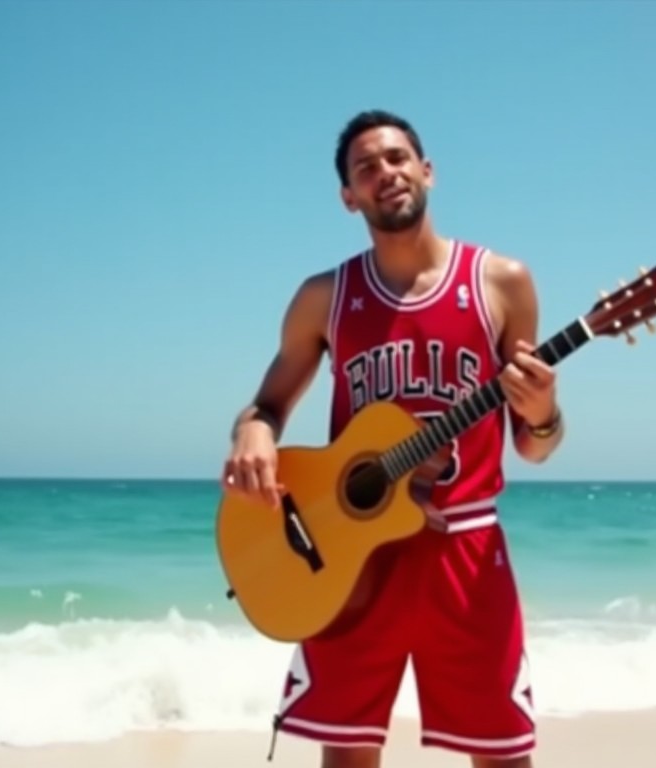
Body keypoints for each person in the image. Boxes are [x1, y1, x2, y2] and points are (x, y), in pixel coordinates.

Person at [222, 109, 565, 768]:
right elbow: (265, 406)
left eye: (398, 158)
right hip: (347, 554)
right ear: (348, 197)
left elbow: (535, 444)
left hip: (465, 549)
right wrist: (252, 437)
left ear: (427, 170)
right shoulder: (325, 297)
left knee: (502, 755)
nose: (386, 173)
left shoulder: (502, 283)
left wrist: (544, 409)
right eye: (366, 167)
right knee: (347, 757)